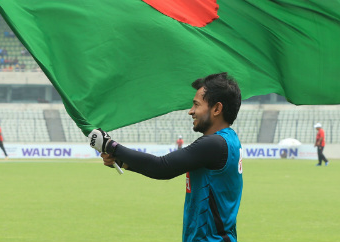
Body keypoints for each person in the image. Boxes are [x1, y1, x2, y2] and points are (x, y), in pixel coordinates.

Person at [89, 72, 243, 242]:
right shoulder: (229, 140)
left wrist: (110, 145)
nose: (191, 111)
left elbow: (161, 167)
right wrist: (123, 163)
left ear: (217, 109)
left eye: (196, 105)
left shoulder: (214, 144)